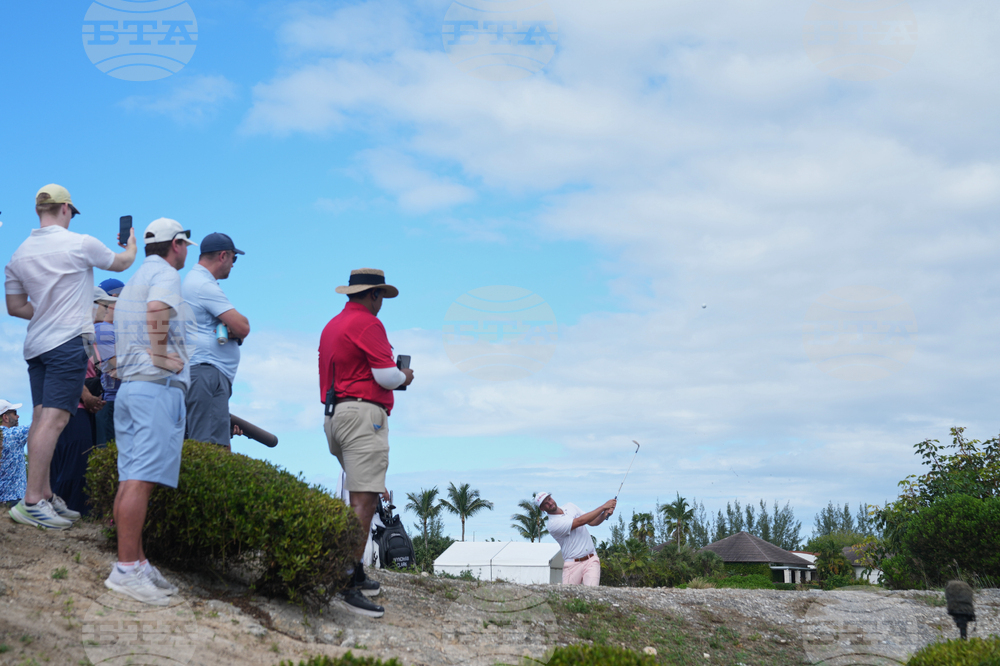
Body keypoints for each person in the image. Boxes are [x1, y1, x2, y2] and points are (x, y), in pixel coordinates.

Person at [4, 184, 136, 530]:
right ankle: (32, 500)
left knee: (39, 416)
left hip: (37, 347)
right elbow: (122, 264)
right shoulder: (79, 243)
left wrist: (47, 311)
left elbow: (15, 307)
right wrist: (130, 243)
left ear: (38, 211)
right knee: (56, 420)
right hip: (66, 343)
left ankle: (44, 494)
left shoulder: (18, 255)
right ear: (66, 209)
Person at [107, 217, 196, 605]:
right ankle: (126, 569)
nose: (187, 251)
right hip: (153, 389)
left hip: (132, 389)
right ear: (175, 244)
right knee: (139, 480)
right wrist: (161, 356)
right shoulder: (165, 276)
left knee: (131, 478)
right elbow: (158, 309)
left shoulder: (135, 280)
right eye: (185, 244)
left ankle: (137, 562)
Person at [319, 268, 414, 617]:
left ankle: (354, 569)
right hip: (362, 417)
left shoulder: (332, 325)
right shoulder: (368, 324)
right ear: (373, 295)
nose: (381, 304)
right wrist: (405, 375)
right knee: (364, 501)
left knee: (358, 496)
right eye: (381, 298)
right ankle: (344, 581)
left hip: (334, 415)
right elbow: (385, 376)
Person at [182, 233, 250, 450]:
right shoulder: (203, 285)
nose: (233, 264)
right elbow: (243, 327)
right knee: (211, 452)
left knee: (203, 448)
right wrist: (233, 330)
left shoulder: (195, 281)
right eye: (234, 259)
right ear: (223, 255)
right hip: (207, 373)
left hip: (201, 372)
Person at [535, 492, 616, 586]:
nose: (550, 503)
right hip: (572, 565)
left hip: (591, 559)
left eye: (549, 499)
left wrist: (604, 514)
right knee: (568, 599)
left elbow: (591, 521)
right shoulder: (552, 524)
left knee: (592, 594)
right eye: (545, 503)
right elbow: (581, 521)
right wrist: (603, 507)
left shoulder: (570, 506)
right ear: (542, 508)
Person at [94, 278, 124, 446]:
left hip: (119, 402)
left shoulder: (116, 328)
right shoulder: (103, 328)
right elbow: (117, 368)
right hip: (112, 404)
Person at [0, 400, 28, 508]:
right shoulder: (14, 434)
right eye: (14, 413)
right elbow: (39, 426)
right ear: (5, 418)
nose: (18, 416)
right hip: (14, 500)